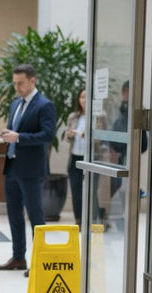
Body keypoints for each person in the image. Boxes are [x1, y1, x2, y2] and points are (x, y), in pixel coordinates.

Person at [0, 63, 56, 275]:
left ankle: (40, 261)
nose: (17, 87)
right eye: (15, 84)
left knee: (36, 217)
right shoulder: (15, 104)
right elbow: (16, 130)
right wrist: (8, 134)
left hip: (31, 170)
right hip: (12, 167)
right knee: (14, 215)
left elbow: (47, 135)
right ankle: (18, 257)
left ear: (32, 81)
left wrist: (19, 137)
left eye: (20, 83)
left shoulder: (44, 105)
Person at [65, 87, 87, 227]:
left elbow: (100, 138)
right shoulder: (73, 116)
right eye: (82, 97)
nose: (84, 100)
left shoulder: (99, 115)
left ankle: (90, 219)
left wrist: (86, 134)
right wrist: (70, 134)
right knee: (76, 189)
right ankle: (78, 219)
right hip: (75, 156)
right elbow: (67, 137)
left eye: (86, 97)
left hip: (91, 157)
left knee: (90, 189)